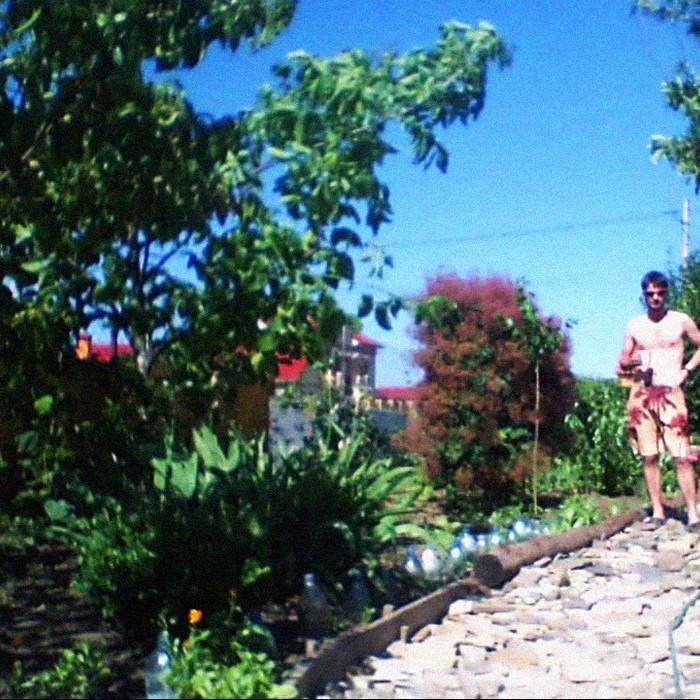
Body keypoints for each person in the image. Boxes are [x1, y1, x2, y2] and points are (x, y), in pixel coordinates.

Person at [617, 270, 700, 530]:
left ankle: (693, 513)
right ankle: (658, 511)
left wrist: (686, 371)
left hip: (671, 393)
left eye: (660, 293)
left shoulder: (680, 320)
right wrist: (634, 363)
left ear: (666, 293)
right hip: (642, 394)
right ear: (644, 295)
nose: (655, 298)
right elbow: (623, 362)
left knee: (682, 455)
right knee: (649, 455)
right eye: (650, 294)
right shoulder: (635, 325)